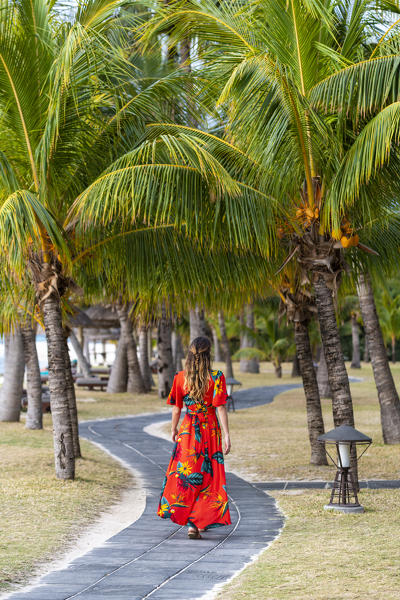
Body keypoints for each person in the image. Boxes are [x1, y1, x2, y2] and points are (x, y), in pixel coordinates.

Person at [157, 336, 232, 539]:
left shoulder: (180, 377)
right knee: (208, 476)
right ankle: (198, 521)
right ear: (209, 355)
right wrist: (226, 435)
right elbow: (221, 407)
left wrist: (173, 430)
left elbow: (176, 408)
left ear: (189, 355)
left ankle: (192, 524)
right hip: (210, 431)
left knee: (187, 476)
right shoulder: (216, 377)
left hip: (188, 431)